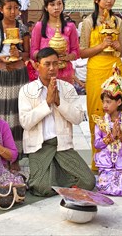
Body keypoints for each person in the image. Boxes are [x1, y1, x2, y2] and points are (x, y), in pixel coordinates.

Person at [19, 47, 95, 197]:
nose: (52, 68)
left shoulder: (67, 88)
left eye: (55, 64)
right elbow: (26, 122)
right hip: (40, 147)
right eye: (47, 64)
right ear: (37, 65)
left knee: (88, 182)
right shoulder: (27, 90)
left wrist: (59, 102)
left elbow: (78, 118)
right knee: (42, 188)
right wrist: (46, 103)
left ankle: (54, 173)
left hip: (62, 146)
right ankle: (56, 175)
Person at [80, 0, 122, 171]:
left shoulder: (118, 21)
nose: (109, 1)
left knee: (118, 114)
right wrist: (101, 45)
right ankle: (98, 162)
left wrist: (117, 46)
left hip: (115, 68)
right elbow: (82, 51)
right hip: (96, 70)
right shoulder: (88, 22)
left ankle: (119, 160)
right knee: (97, 114)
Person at [0, 0, 30, 163]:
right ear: (1, 9)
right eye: (9, 8)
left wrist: (19, 54)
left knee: (19, 114)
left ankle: (16, 157)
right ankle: (1, 155)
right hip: (1, 76)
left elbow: (28, 53)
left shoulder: (23, 28)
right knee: (3, 114)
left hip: (19, 75)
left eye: (16, 8)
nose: (13, 11)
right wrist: (1, 59)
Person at [93, 65, 122, 196]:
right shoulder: (101, 123)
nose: (104, 105)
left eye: (108, 102)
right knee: (103, 185)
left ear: (118, 102)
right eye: (103, 102)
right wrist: (111, 136)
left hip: (120, 165)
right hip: (105, 164)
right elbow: (97, 144)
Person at [30, 0, 79, 83]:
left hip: (65, 73)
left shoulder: (70, 27)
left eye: (59, 3)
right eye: (52, 4)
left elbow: (76, 51)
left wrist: (67, 57)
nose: (56, 7)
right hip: (46, 73)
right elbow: (33, 52)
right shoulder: (39, 27)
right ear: (46, 7)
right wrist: (46, 56)